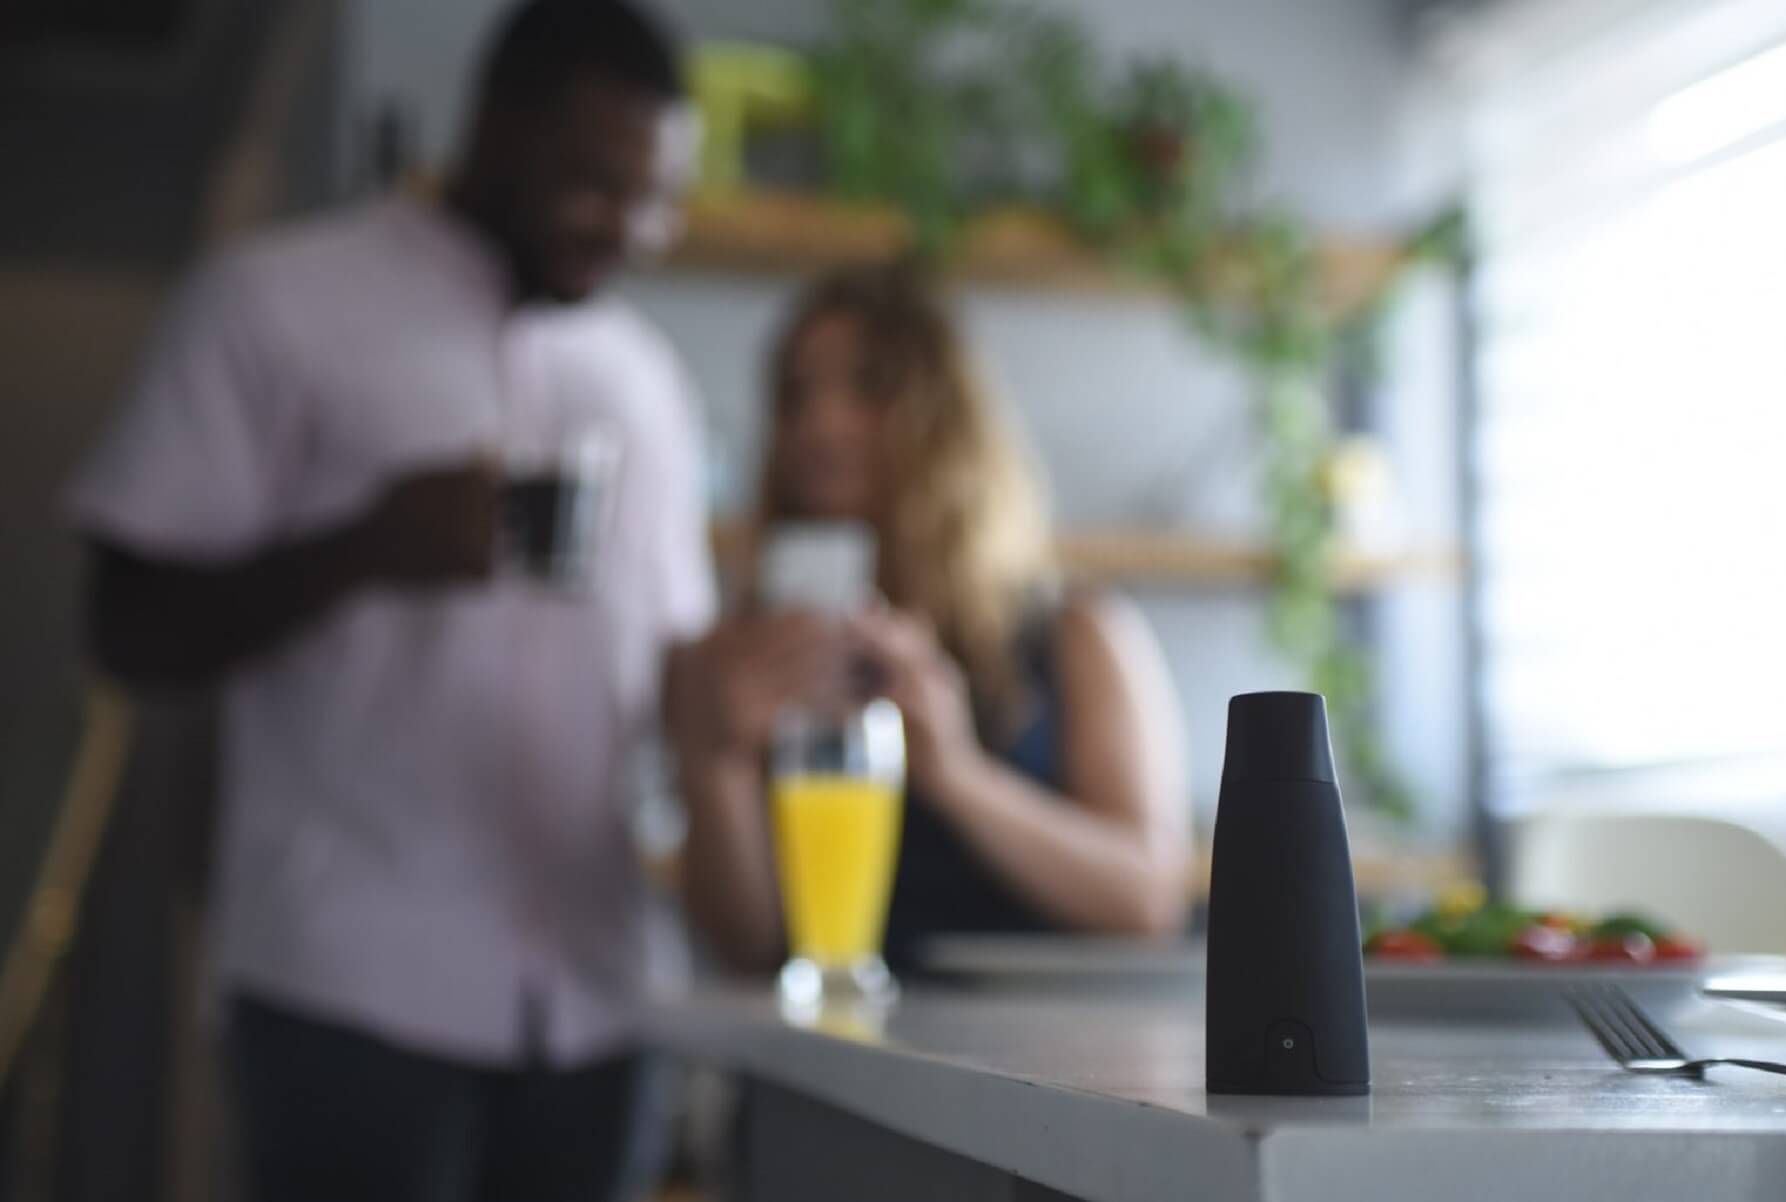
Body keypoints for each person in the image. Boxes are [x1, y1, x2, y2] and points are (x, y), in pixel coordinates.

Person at [68, 3, 710, 1199]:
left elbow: (670, 668)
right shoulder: (277, 305)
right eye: (591, 186)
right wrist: (358, 548)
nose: (628, 229)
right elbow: (125, 623)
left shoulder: (643, 380)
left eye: (655, 197)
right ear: (497, 130)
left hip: (599, 997)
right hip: (351, 987)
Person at [672, 265, 1192, 975]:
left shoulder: (1075, 633)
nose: (821, 424)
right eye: (797, 395)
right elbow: (748, 946)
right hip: (834, 1057)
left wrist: (954, 772)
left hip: (1037, 1062)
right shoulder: (746, 660)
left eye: (869, 386)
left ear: (942, 418)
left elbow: (1151, 899)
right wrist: (718, 760)